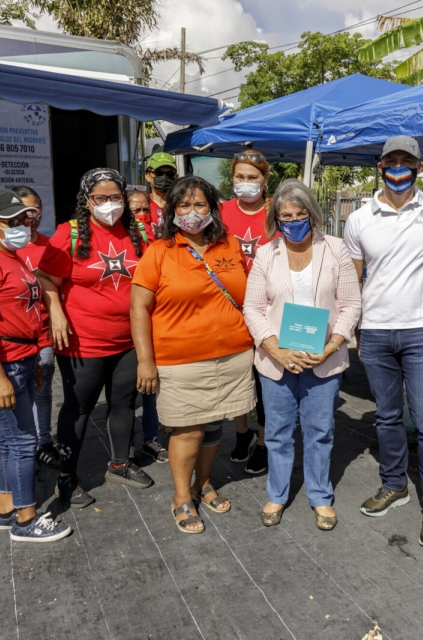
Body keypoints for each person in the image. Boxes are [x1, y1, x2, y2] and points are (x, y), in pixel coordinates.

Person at [343, 135, 423, 549]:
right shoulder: (359, 218)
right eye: (390, 161)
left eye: (406, 162)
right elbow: (352, 280)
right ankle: (395, 485)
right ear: (379, 165)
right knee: (388, 417)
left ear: (419, 168)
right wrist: (353, 329)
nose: (397, 168)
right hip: (374, 332)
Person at [131, 175, 256, 534]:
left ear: (212, 208)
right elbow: (139, 307)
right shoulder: (159, 252)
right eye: (183, 205)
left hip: (233, 355)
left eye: (199, 204)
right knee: (188, 431)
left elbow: (250, 294)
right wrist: (145, 361)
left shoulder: (229, 244)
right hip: (180, 360)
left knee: (215, 425)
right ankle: (182, 496)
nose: (192, 212)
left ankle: (204, 483)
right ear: (171, 211)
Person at [243, 179, 361, 530]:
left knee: (319, 430)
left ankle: (321, 496)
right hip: (276, 359)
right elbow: (252, 308)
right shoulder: (266, 253)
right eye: (285, 216)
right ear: (276, 220)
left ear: (312, 214)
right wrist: (275, 350)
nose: (293, 221)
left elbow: (351, 305)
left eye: (299, 214)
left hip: (323, 359)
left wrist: (330, 347)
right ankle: (277, 493)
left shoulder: (335, 249)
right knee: (277, 432)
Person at [36, 169, 154, 509]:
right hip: (82, 341)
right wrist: (56, 310)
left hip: (130, 340)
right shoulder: (68, 234)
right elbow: (44, 278)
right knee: (79, 409)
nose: (109, 205)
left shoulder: (140, 233)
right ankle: (67, 478)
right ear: (87, 201)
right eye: (100, 198)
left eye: (115, 198)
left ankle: (120, 463)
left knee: (124, 403)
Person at [0, 188, 72, 543]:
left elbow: (26, 311)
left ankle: (5, 511)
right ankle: (26, 520)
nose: (21, 225)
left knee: (10, 442)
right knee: (23, 441)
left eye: (23, 218)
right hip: (0, 364)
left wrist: (33, 357)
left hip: (21, 359)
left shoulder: (16, 257)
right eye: (11, 221)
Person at [0, 186, 63, 473]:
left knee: (42, 394)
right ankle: (2, 452)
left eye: (34, 212)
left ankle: (43, 442)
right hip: (9, 342)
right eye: (21, 213)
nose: (29, 218)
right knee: (7, 401)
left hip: (41, 336)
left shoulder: (50, 245)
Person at [219, 150, 278, 474]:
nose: (245, 184)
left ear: (264, 179)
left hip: (269, 309)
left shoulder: (275, 211)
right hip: (230, 309)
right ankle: (242, 433)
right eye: (239, 177)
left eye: (252, 178)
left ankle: (264, 442)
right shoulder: (221, 211)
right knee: (239, 377)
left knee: (265, 378)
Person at [126, 188, 168, 463]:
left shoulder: (156, 241)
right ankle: (125, 444)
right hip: (121, 327)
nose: (142, 215)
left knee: (151, 386)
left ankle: (150, 438)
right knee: (126, 392)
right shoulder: (118, 240)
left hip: (153, 324)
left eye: (145, 210)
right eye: (135, 210)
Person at [143, 152, 177, 227]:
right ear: (148, 176)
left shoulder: (180, 204)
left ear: (176, 177)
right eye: (159, 173)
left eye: (170, 173)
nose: (164, 177)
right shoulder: (141, 204)